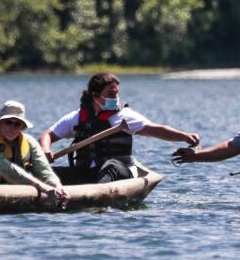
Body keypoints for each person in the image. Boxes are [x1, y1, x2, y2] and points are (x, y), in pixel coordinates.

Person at [39, 72, 200, 185]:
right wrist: (46, 149)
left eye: (116, 94)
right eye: (110, 94)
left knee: (110, 166)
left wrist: (184, 136)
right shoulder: (77, 117)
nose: (115, 99)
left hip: (120, 171)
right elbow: (47, 135)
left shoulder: (125, 116)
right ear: (95, 96)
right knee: (46, 173)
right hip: (87, 172)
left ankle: (97, 195)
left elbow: (155, 129)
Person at [0, 101, 69, 208]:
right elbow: (8, 170)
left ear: (22, 127)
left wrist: (57, 185)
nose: (12, 127)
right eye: (8, 122)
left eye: (17, 124)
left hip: (14, 189)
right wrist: (42, 187)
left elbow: (44, 170)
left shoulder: (30, 142)